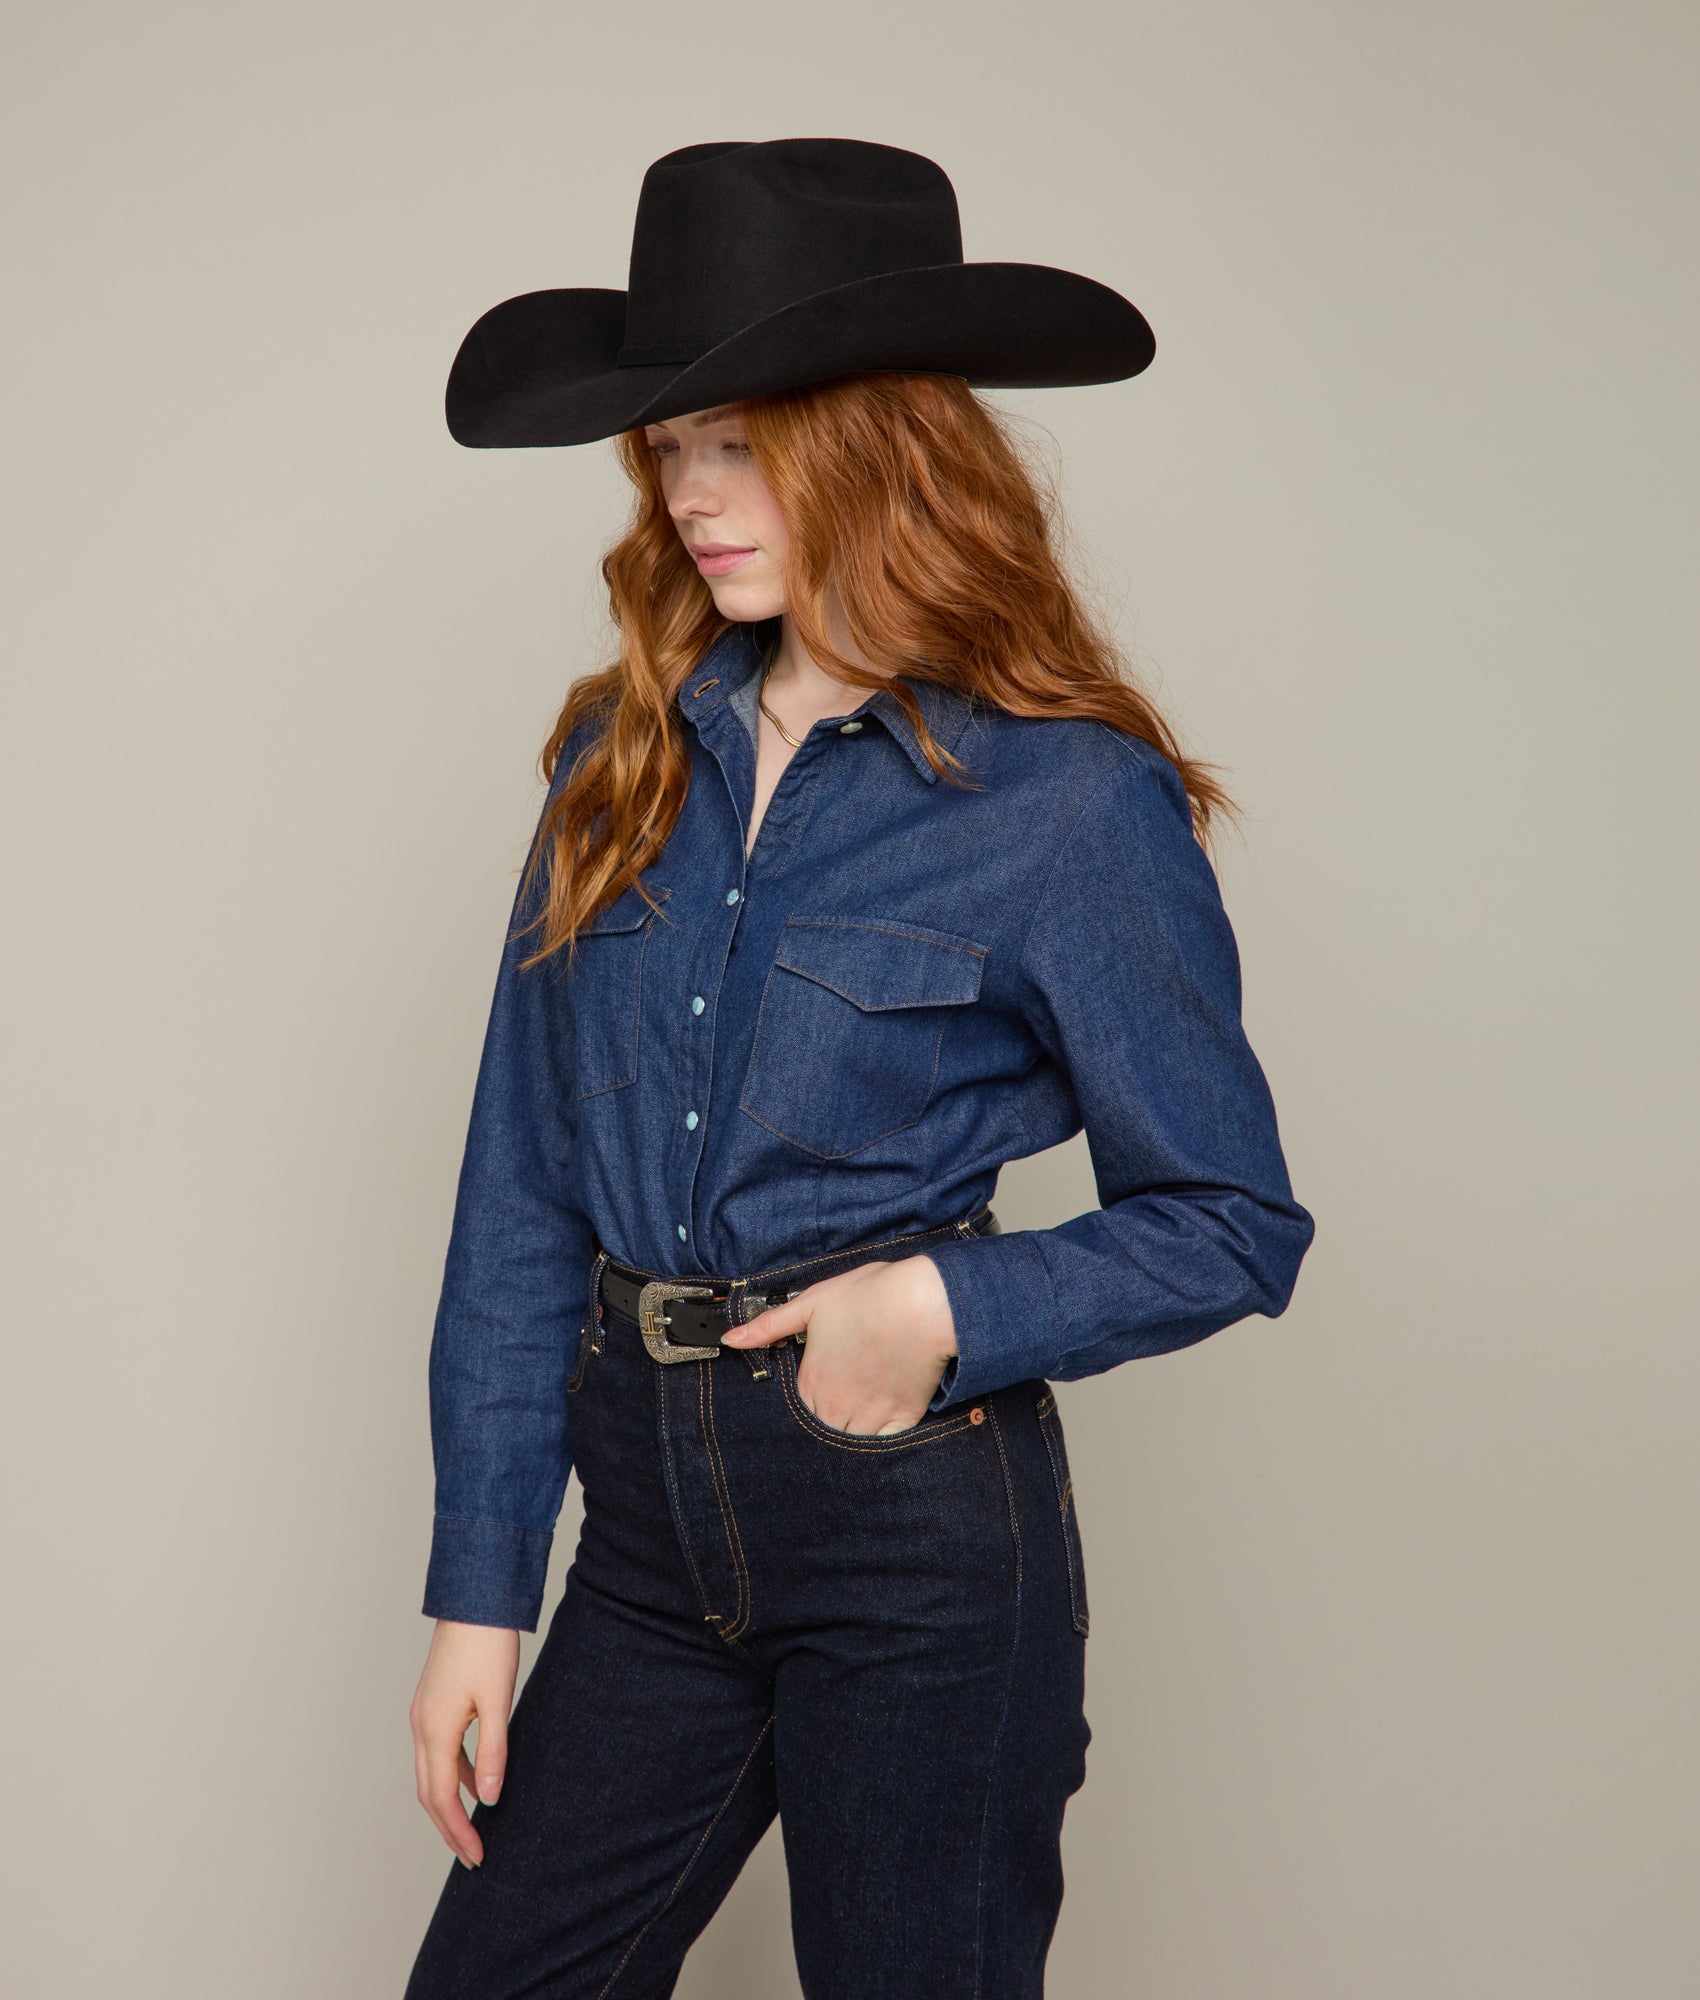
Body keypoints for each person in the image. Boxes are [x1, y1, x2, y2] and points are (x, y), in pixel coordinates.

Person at [404, 138, 1314, 2000]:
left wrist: (942, 1309)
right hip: (642, 1533)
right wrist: (479, 1586)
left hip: (908, 1528)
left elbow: (1233, 1219)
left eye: (741, 443)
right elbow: (521, 1188)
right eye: (670, 445)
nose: (691, 494)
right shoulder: (615, 758)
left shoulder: (1067, 802)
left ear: (884, 449)